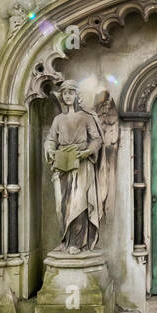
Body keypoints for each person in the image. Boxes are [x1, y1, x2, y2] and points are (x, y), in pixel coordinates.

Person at [44, 82, 104, 252]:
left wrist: (87, 152)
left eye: (71, 92)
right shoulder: (58, 119)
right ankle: (65, 239)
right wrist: (49, 149)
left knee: (78, 203)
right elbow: (50, 139)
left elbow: (97, 139)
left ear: (77, 95)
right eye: (64, 93)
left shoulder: (86, 117)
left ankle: (77, 243)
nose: (68, 96)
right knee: (61, 205)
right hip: (62, 162)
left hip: (81, 163)